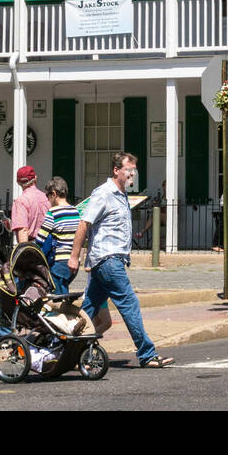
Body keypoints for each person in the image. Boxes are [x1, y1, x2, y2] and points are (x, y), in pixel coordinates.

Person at [67, 152, 174, 368]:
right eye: (128, 170)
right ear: (116, 171)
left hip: (107, 261)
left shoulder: (121, 194)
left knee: (89, 309)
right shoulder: (104, 193)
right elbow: (84, 224)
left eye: (134, 170)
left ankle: (64, 350)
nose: (132, 173)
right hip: (108, 260)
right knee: (129, 303)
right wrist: (74, 256)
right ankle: (147, 354)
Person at [34, 176, 82, 293]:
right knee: (63, 289)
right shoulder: (76, 211)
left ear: (54, 193)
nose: (48, 200)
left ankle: (66, 312)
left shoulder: (53, 213)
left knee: (57, 297)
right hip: (74, 261)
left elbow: (40, 239)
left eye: (47, 196)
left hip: (60, 261)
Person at [11, 165, 50, 244]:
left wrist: (24, 252)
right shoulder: (47, 198)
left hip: (31, 246)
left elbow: (23, 230)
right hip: (48, 244)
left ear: (18, 182)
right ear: (35, 178)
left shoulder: (21, 201)